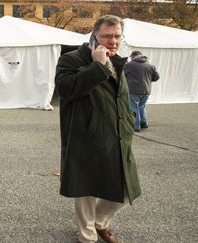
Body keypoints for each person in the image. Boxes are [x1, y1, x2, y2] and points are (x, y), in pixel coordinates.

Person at [54, 15, 141, 243]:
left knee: (125, 189)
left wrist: (128, 126)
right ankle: (88, 236)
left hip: (118, 135)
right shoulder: (72, 59)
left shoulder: (119, 61)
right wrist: (97, 65)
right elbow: (66, 89)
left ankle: (100, 223)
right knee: (86, 189)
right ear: (94, 36)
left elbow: (120, 97)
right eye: (107, 36)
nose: (113, 41)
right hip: (86, 135)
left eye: (117, 36)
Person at [124, 51, 160, 132]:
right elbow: (156, 77)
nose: (131, 58)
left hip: (133, 90)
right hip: (146, 90)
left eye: (131, 57)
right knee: (142, 106)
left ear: (133, 56)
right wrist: (146, 80)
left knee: (134, 107)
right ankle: (144, 123)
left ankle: (136, 126)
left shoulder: (129, 65)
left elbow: (122, 75)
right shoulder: (150, 65)